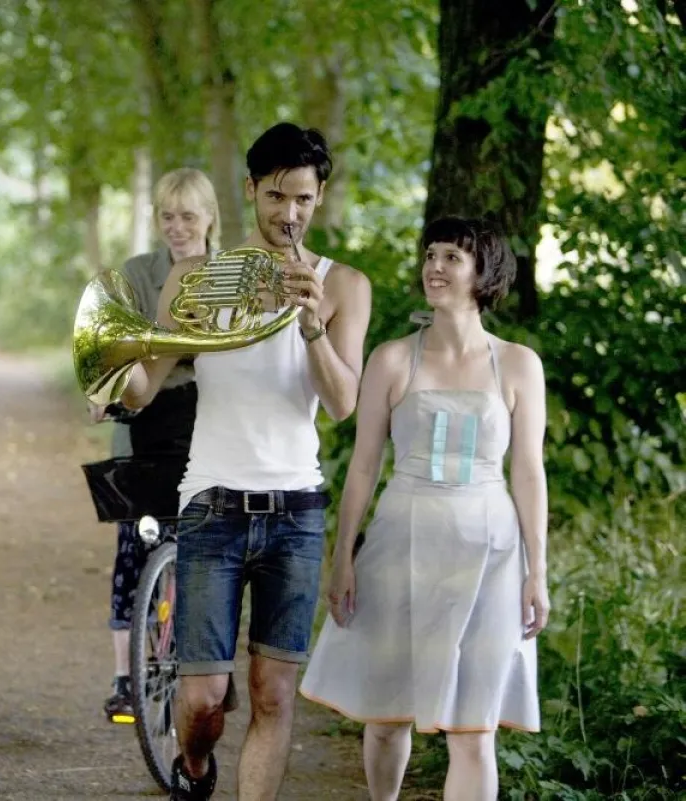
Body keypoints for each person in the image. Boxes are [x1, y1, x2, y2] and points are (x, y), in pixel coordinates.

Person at [121, 122, 373, 800]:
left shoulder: (345, 284)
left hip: (296, 509)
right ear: (248, 191)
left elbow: (343, 401)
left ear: (319, 198)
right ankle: (197, 763)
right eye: (274, 197)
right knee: (204, 696)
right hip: (212, 503)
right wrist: (111, 379)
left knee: (273, 693)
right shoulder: (196, 277)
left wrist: (313, 326)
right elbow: (146, 383)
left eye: (303, 199)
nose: (288, 214)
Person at [299, 216, 548, 801]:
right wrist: (343, 557)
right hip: (400, 542)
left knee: (473, 729)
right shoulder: (392, 359)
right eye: (430, 254)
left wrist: (538, 571)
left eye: (452, 257)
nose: (435, 267)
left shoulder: (518, 365)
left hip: (489, 552)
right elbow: (362, 468)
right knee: (386, 718)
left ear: (484, 272)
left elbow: (529, 472)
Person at [94, 167, 216, 722]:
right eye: (167, 216)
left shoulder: (227, 273)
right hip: (146, 423)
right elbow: (116, 345)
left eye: (188, 216)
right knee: (132, 545)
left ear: (209, 216)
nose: (177, 227)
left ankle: (209, 670)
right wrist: (104, 389)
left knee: (213, 552)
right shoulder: (137, 274)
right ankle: (125, 677)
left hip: (213, 425)